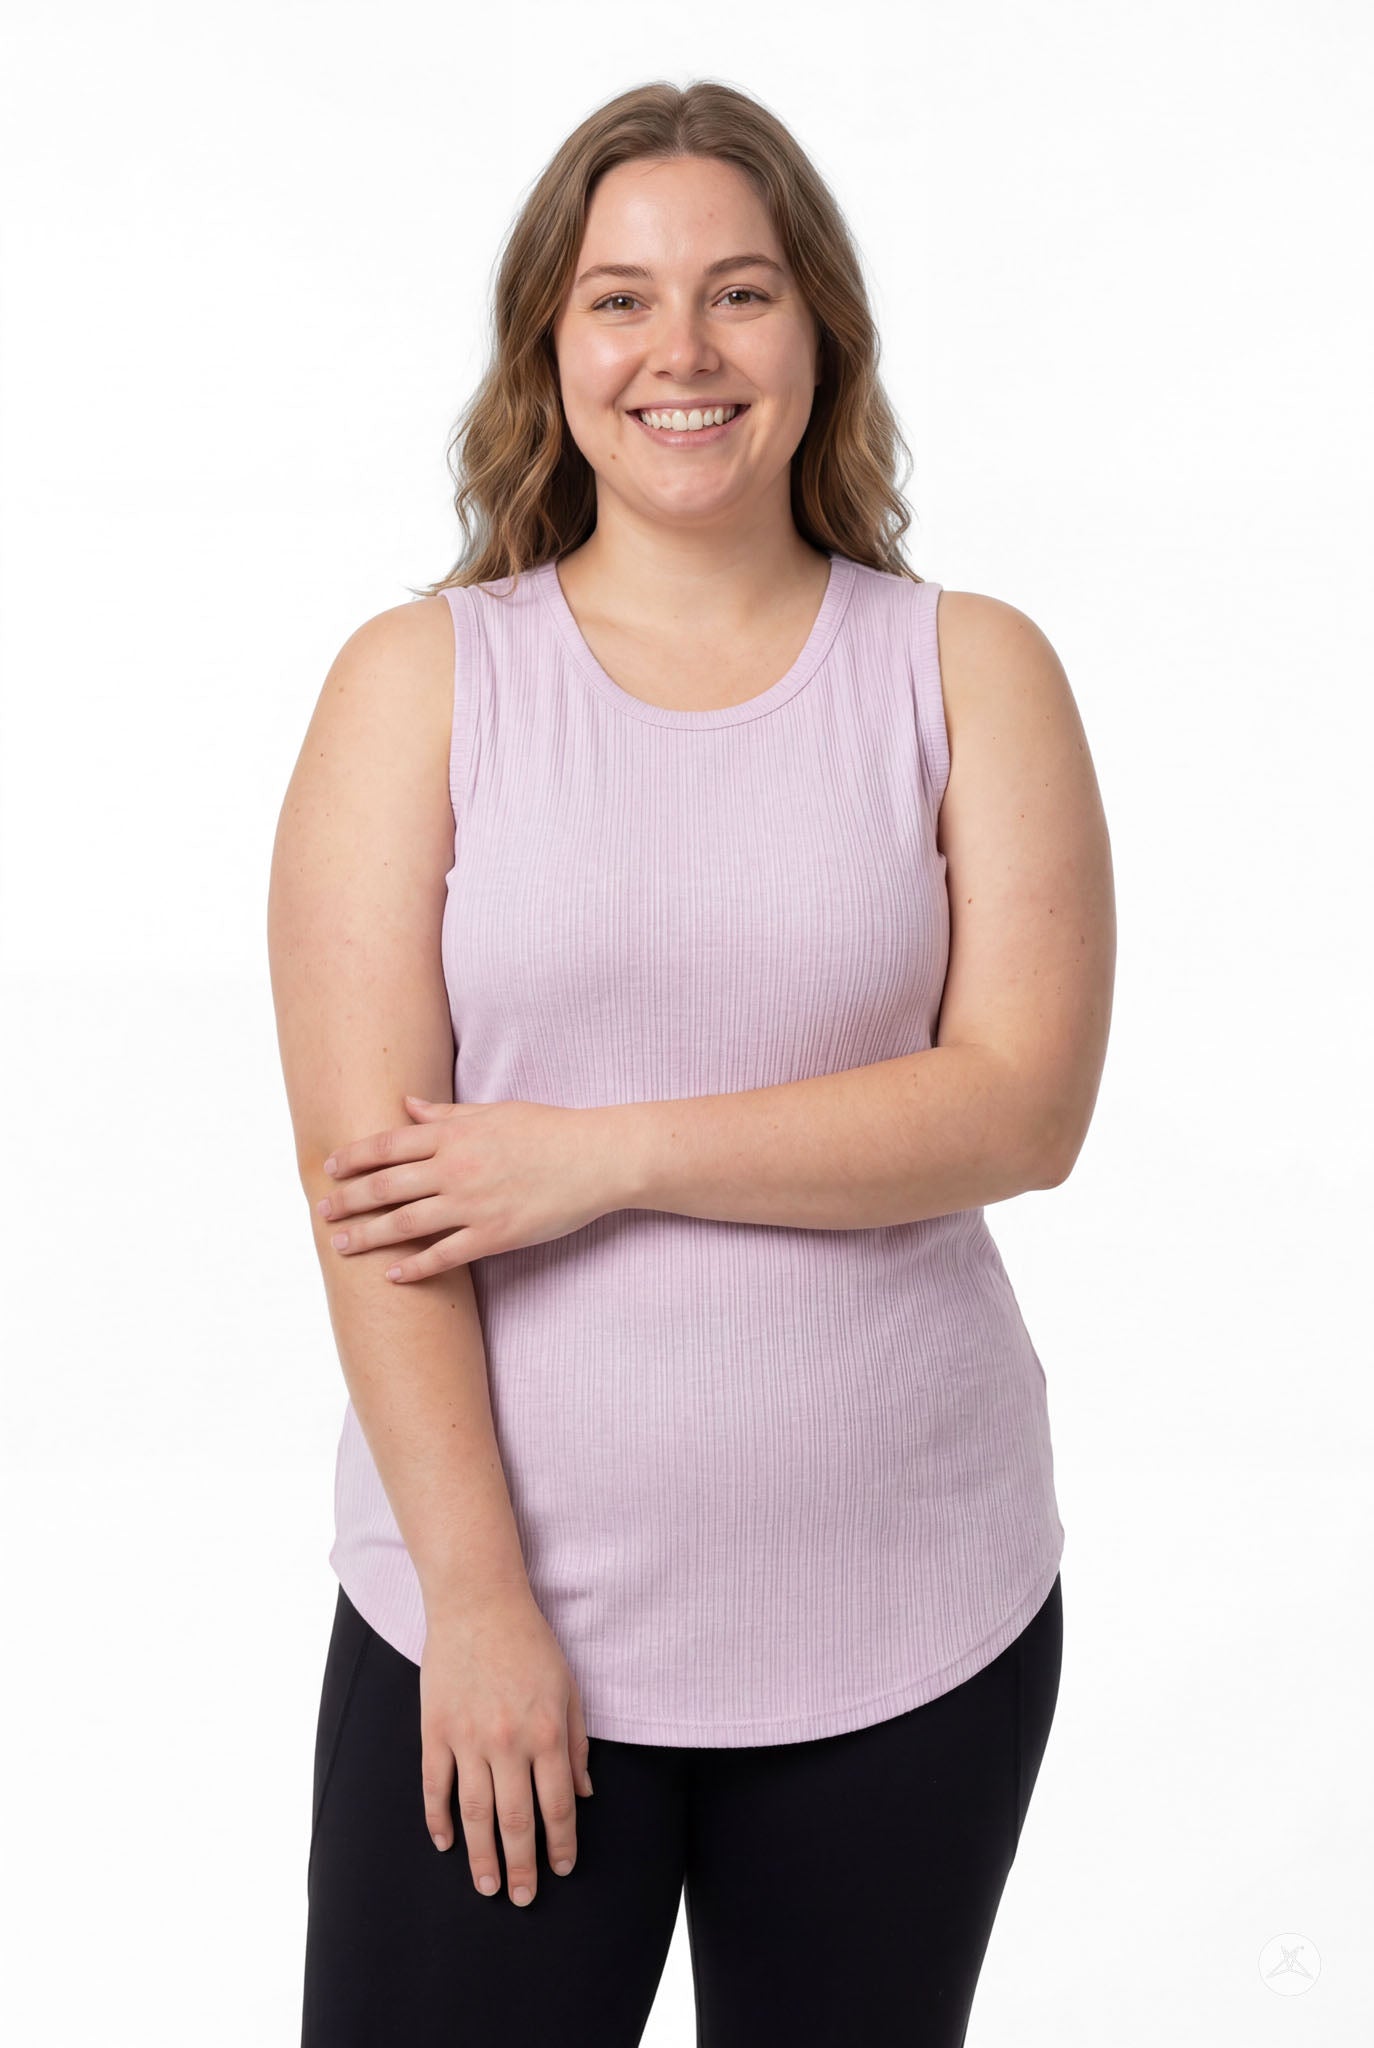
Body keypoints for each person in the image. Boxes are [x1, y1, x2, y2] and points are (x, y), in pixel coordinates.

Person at [268, 77, 1114, 2048]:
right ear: (548, 353)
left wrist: (603, 1153)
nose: (682, 351)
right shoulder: (421, 685)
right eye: (619, 299)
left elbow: (1020, 1102)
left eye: (739, 293)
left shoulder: (966, 667)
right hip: (493, 1625)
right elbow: (371, 1194)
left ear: (819, 333)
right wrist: (475, 1603)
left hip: (913, 1626)